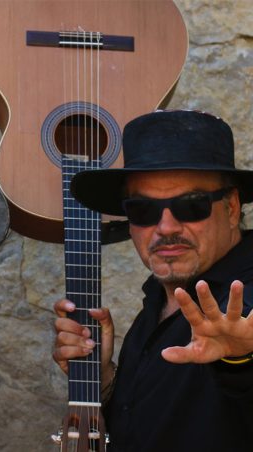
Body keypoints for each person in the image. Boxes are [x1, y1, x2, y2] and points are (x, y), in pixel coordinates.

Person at [52, 109, 253, 451]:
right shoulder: (160, 299)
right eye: (143, 210)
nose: (166, 227)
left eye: (191, 205)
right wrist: (104, 379)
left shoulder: (244, 300)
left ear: (231, 208)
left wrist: (240, 360)